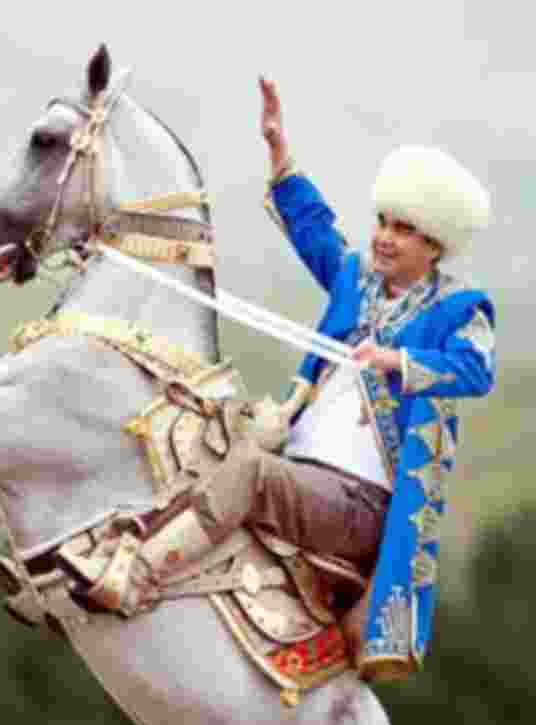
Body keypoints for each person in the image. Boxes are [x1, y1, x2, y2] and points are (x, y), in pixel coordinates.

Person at [166, 77, 495, 681]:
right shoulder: (356, 279)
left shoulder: (460, 309)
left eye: (402, 229)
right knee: (195, 430)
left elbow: (477, 370)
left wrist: (398, 363)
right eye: (383, 221)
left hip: (361, 504)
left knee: (251, 471)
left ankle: (140, 572)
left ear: (435, 245)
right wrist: (279, 152)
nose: (383, 237)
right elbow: (317, 230)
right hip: (304, 466)